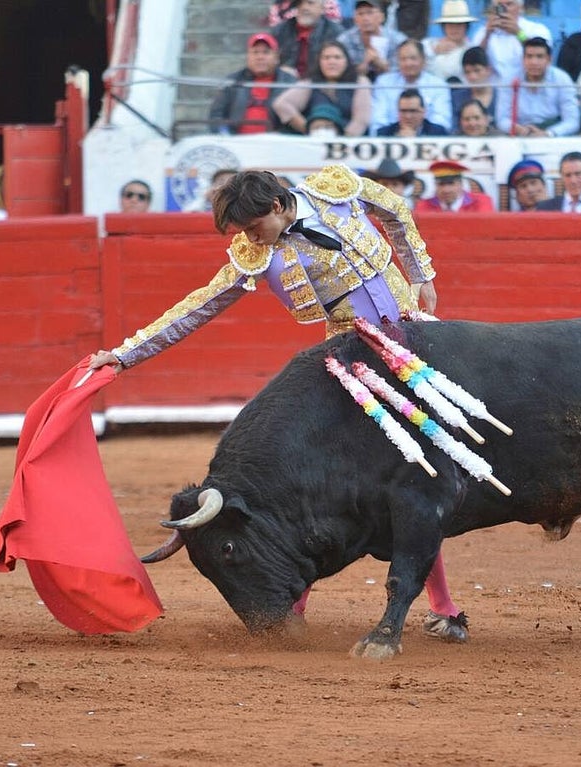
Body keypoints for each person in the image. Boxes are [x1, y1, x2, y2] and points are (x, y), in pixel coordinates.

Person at [87, 166, 468, 643]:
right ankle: (319, 603)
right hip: (357, 369)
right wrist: (124, 355)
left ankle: (441, 607)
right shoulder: (257, 253)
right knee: (362, 490)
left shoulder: (333, 188)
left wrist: (420, 274)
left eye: (251, 227)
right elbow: (197, 307)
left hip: (417, 342)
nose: (250, 239)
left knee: (420, 480)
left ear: (275, 206)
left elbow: (394, 210)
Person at [274, 40, 372, 136]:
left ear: (346, 61)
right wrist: (307, 129)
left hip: (348, 142)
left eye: (337, 57)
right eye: (326, 58)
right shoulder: (310, 83)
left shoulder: (360, 82)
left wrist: (342, 141)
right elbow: (281, 104)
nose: (331, 62)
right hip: (313, 141)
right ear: (319, 61)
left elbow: (361, 119)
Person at [208, 33, 297, 135]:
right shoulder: (233, 81)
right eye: (255, 52)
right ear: (248, 57)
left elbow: (297, 120)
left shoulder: (289, 82)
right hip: (236, 143)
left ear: (276, 57)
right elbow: (216, 116)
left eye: (266, 52)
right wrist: (225, 136)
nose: (260, 57)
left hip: (275, 144)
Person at [495, 37, 580, 136]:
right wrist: (517, 128)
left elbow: (572, 121)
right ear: (523, 59)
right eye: (529, 56)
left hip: (552, 133)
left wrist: (548, 133)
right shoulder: (510, 79)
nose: (534, 62)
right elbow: (501, 119)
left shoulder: (562, 79)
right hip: (519, 132)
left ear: (549, 60)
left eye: (539, 57)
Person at [371, 39, 452, 134]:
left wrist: (417, 135)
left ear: (423, 60)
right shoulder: (384, 83)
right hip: (391, 137)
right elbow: (378, 121)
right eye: (403, 59)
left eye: (413, 58)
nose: (408, 63)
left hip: (428, 138)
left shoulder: (438, 85)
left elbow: (442, 121)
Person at [472, 0, 553, 84]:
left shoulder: (536, 29)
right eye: (500, 5)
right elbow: (473, 60)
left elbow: (542, 56)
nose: (504, 9)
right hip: (495, 90)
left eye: (509, 4)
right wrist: (487, 35)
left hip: (525, 88)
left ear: (520, 7)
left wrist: (519, 33)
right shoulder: (483, 32)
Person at [271, 0, 345, 79]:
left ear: (322, 8)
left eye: (310, 3)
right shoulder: (280, 31)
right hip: (286, 82)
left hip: (320, 83)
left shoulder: (336, 32)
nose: (304, 7)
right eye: (299, 3)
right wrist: (281, 71)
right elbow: (269, 61)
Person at [338, 0, 405, 82]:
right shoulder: (345, 40)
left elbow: (404, 74)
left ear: (381, 17)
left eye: (370, 13)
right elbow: (341, 75)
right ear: (355, 19)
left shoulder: (397, 40)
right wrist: (364, 64)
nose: (365, 18)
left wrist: (383, 66)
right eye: (360, 14)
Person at [423, 0, 478, 82]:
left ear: (466, 26)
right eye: (450, 25)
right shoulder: (428, 44)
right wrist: (434, 51)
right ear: (444, 27)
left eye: (459, 25)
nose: (454, 29)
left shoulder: (472, 50)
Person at [415, 160, 494, 213]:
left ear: (461, 184)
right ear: (435, 185)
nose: (446, 190)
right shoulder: (423, 205)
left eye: (451, 184)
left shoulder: (481, 202)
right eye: (441, 185)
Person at [449, 47, 499, 128]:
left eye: (477, 70)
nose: (472, 77)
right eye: (467, 72)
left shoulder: (501, 97)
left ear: (488, 70)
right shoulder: (456, 98)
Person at [377, 87, 450, 135]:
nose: (408, 116)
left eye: (413, 111)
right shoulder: (384, 133)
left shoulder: (438, 133)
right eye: (403, 111)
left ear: (423, 112)